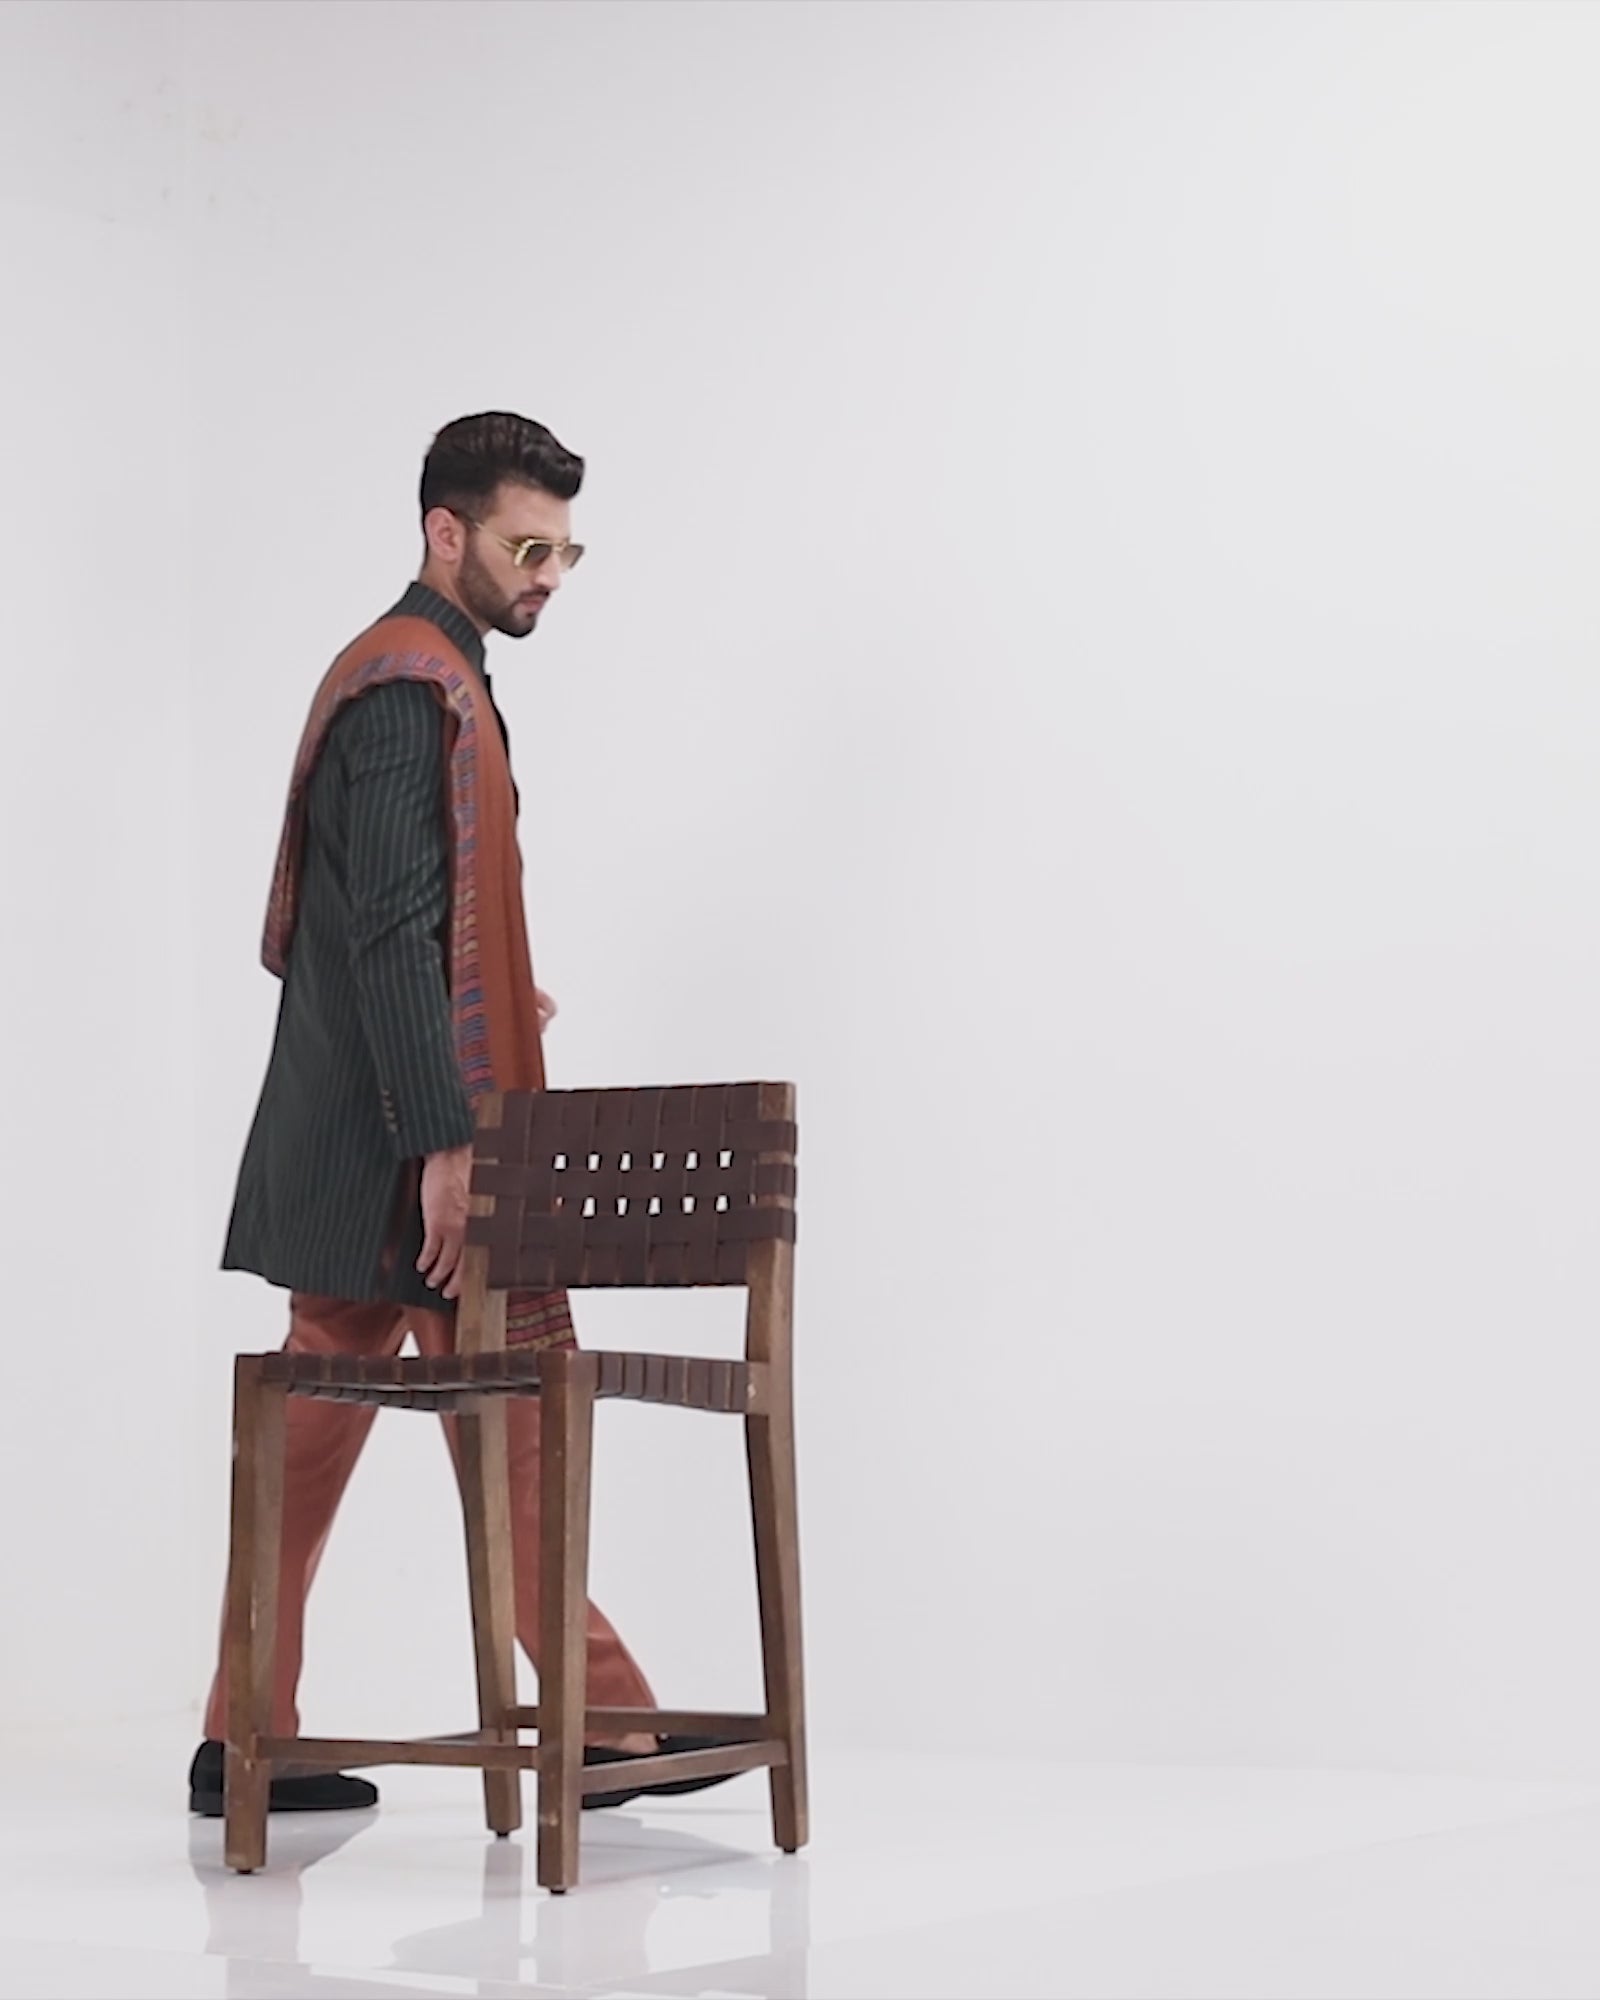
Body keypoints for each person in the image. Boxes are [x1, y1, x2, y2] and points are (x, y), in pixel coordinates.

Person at [190, 412, 724, 1817]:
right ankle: (602, 1725)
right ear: (446, 532)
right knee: (514, 1408)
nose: (550, 575)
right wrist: (444, 1139)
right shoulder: (406, 688)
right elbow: (384, 933)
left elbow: (406, 930)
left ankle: (241, 1740)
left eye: (566, 552)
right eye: (526, 547)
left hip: (360, 1132)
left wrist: (496, 999)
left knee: (336, 1429)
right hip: (398, 1144)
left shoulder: (434, 676)